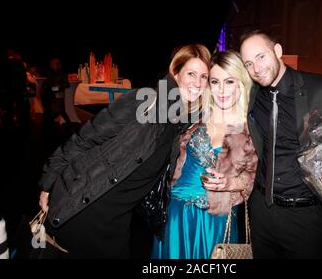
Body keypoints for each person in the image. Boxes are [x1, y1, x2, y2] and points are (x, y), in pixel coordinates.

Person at [38, 44, 211, 258]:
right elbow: (85, 138)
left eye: (204, 76)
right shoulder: (144, 101)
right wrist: (49, 181)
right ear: (175, 72)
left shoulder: (181, 123)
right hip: (87, 207)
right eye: (191, 73)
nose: (198, 82)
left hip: (117, 221)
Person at [239, 30, 322, 258]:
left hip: (306, 215)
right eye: (249, 63)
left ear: (278, 51)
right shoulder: (252, 94)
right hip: (262, 211)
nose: (256, 68)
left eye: (261, 57)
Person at [152, 50, 257, 259]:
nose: (221, 90)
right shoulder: (192, 118)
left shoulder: (251, 131)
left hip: (215, 221)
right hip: (177, 216)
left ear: (241, 84)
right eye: (215, 81)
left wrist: (230, 184)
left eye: (229, 81)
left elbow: (253, 179)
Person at [41, 58, 71, 125]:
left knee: (60, 110)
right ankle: (69, 124)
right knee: (54, 111)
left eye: (53, 64)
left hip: (59, 95)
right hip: (51, 95)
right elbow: (48, 83)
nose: (52, 65)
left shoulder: (62, 73)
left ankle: (69, 124)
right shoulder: (50, 73)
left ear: (58, 64)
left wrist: (58, 87)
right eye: (51, 64)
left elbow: (67, 84)